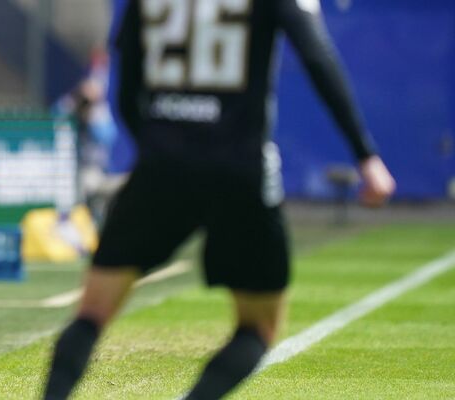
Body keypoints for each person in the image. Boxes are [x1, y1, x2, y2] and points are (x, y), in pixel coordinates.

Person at [43, 0, 396, 399]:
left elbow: (126, 73)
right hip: (238, 170)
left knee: (91, 313)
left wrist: (153, 146)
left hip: (163, 167)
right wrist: (365, 155)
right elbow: (316, 56)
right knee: (258, 328)